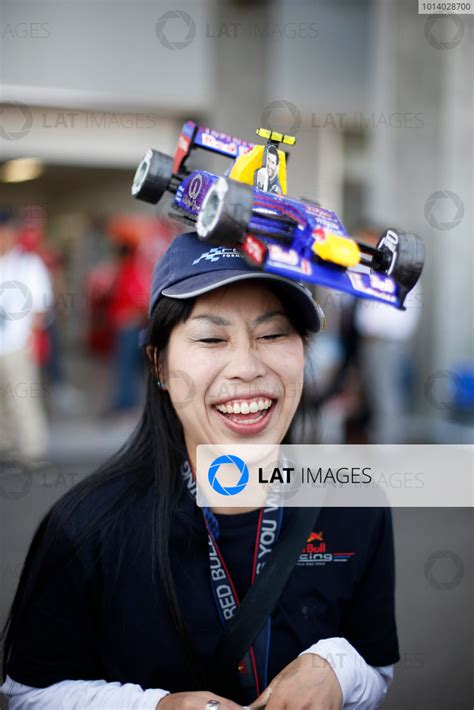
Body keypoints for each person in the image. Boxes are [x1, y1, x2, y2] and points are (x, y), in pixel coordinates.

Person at [1, 233, 399, 709]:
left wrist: (338, 667)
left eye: (273, 335)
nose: (247, 368)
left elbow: (376, 664)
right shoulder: (86, 526)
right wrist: (156, 707)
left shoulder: (356, 500)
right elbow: (28, 692)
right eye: (211, 338)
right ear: (159, 365)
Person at [0, 208, 53, 460]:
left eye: (6, 232)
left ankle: (32, 449)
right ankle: (5, 445)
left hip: (18, 343)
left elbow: (41, 305)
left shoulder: (28, 263)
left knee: (23, 397)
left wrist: (32, 338)